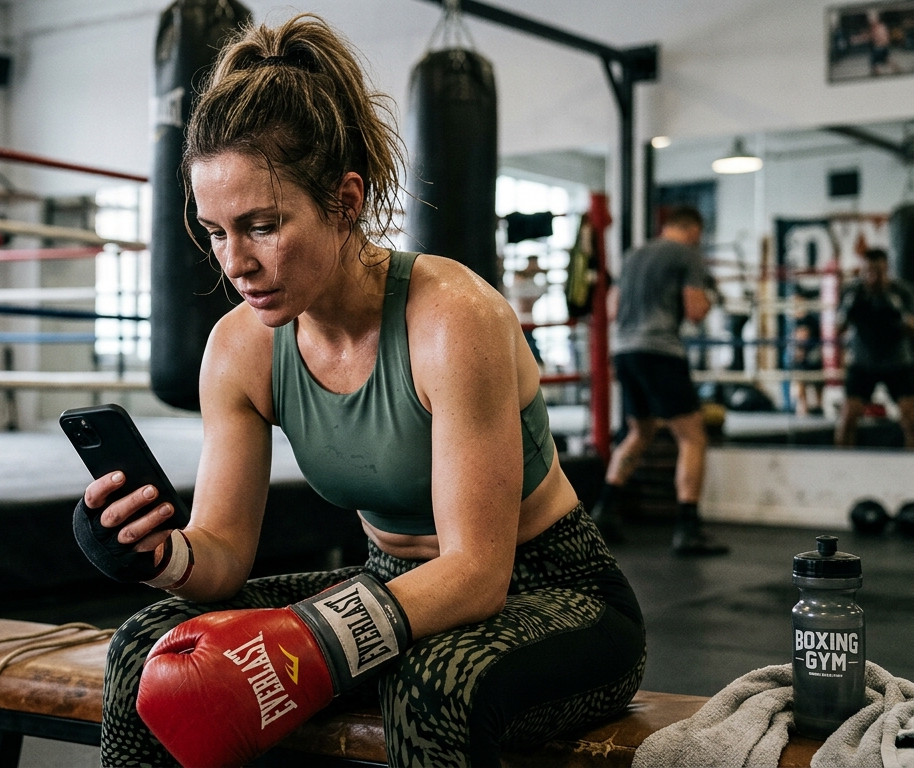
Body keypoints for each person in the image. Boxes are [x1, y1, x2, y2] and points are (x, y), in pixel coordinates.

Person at [74, 16, 645, 767]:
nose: (236, 262)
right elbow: (220, 558)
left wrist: (313, 636)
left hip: (554, 596)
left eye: (263, 225)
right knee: (151, 641)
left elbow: (477, 573)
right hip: (388, 582)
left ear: (346, 200)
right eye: (215, 231)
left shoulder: (452, 317)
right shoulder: (239, 349)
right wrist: (153, 555)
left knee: (435, 683)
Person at [590, 205, 729, 555]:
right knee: (692, 437)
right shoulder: (687, 254)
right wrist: (712, 299)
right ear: (693, 229)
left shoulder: (634, 255)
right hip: (661, 352)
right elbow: (696, 311)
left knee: (640, 431)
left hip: (625, 352)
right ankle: (688, 528)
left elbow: (611, 307)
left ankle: (604, 513)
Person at [835, 248, 914, 447]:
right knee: (847, 418)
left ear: (886, 269)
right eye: (869, 271)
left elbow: (913, 328)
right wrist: (847, 310)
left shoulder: (901, 291)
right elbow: (838, 329)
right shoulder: (853, 292)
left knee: (911, 419)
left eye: (878, 271)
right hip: (863, 363)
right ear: (863, 270)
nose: (873, 276)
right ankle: (840, 471)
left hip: (897, 362)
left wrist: (899, 313)